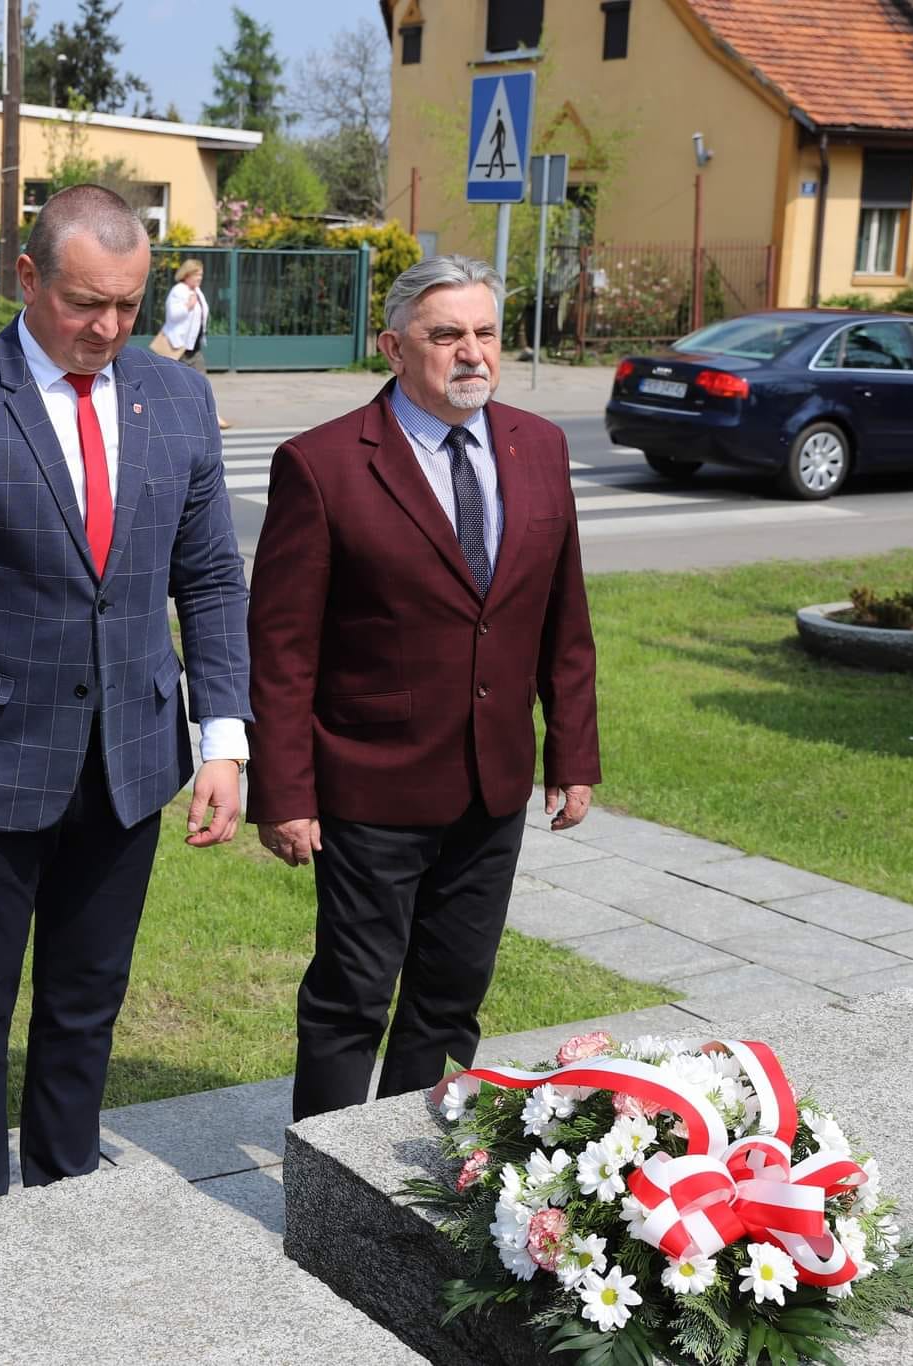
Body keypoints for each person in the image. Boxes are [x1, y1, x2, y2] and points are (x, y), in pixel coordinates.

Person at [0, 184, 251, 1206]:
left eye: (127, 305)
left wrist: (223, 739)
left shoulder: (175, 399)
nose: (108, 329)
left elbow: (207, 579)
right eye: (85, 304)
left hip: (129, 759)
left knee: (86, 1000)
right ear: (26, 276)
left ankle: (65, 1186)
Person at [245, 254, 600, 1122]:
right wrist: (284, 793)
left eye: (484, 332)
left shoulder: (538, 446)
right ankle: (327, 1176)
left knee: (451, 996)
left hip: (492, 783)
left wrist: (572, 754)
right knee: (352, 998)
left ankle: (413, 1163)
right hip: (371, 784)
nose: (471, 352)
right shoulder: (323, 464)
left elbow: (565, 613)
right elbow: (282, 647)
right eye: (446, 335)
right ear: (394, 348)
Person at [157, 258, 232, 431]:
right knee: (173, 384)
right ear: (187, 274)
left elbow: (203, 313)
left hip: (193, 347)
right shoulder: (178, 291)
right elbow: (172, 315)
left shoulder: (197, 291)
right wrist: (187, 306)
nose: (200, 278)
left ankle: (212, 416)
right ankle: (168, 417)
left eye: (201, 275)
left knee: (202, 382)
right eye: (197, 274)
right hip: (179, 347)